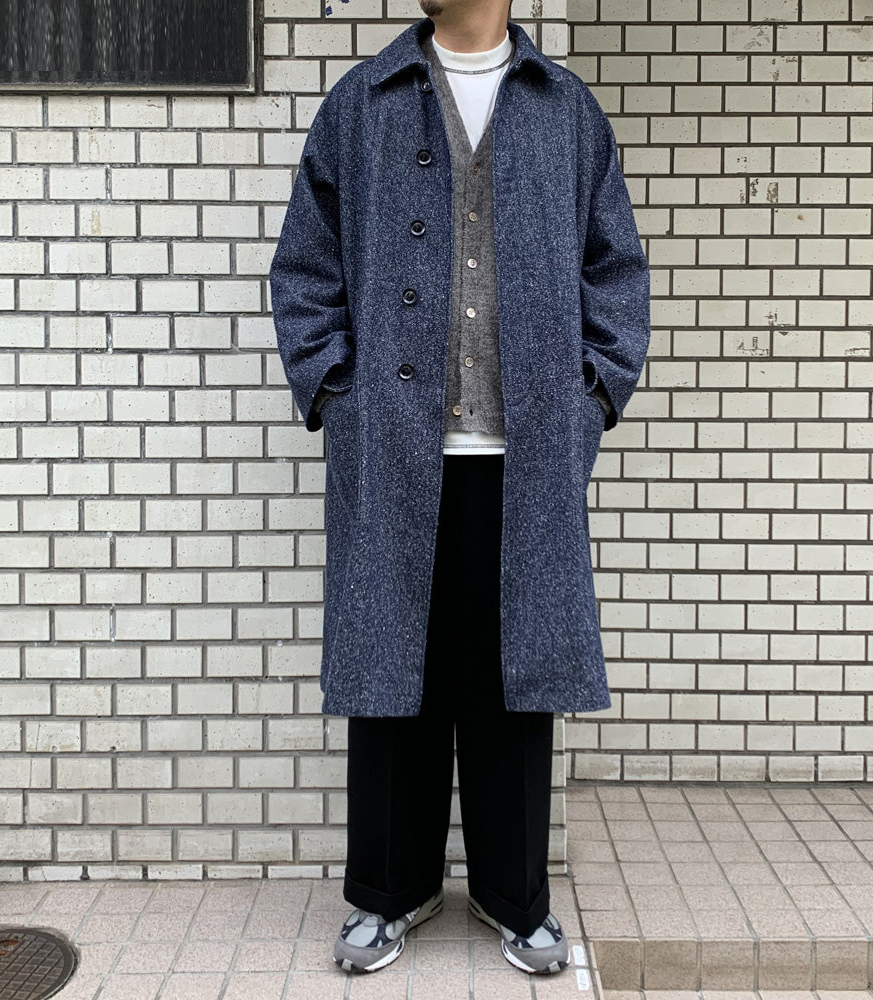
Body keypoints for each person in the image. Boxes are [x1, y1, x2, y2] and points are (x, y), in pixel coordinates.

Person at [268, 0, 650, 978]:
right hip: (394, 447)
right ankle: (385, 894)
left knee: (513, 686)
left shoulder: (565, 109)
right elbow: (304, 267)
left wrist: (591, 396)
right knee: (393, 682)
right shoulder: (363, 103)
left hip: (524, 455)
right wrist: (338, 393)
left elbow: (616, 269)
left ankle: (515, 897)